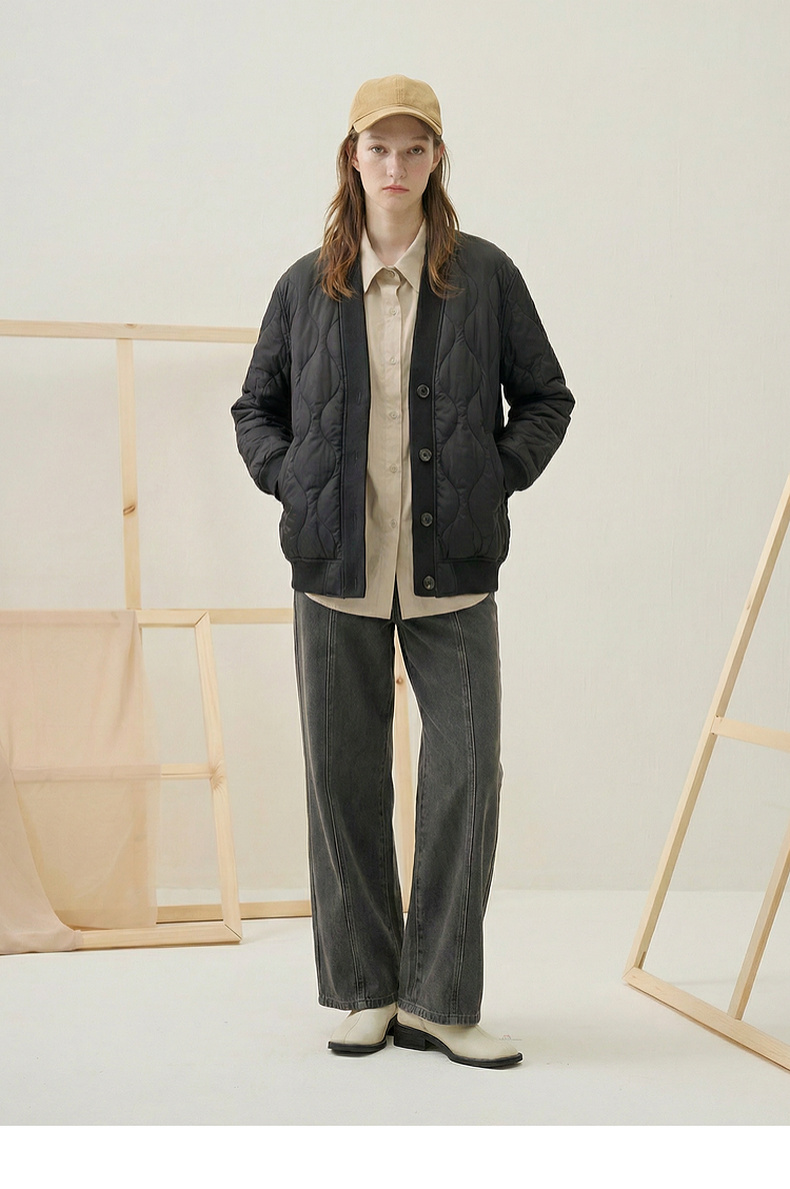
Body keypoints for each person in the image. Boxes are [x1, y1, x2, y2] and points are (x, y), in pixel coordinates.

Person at [232, 75, 574, 1069]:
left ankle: (440, 999)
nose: (395, 164)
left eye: (413, 147)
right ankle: (367, 991)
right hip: (333, 567)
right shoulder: (306, 284)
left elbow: (546, 396)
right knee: (342, 781)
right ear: (352, 157)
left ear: (436, 158)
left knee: (466, 775)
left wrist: (492, 479)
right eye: (377, 147)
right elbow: (255, 407)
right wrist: (291, 480)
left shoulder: (485, 276)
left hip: (451, 567)